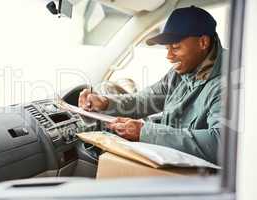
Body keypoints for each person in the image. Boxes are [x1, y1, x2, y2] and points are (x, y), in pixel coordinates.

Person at [78, 6, 225, 164]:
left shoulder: (228, 83)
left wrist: (145, 132)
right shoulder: (181, 72)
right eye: (167, 48)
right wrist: (106, 103)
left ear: (203, 42)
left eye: (175, 47)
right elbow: (145, 100)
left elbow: (220, 143)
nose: (169, 56)